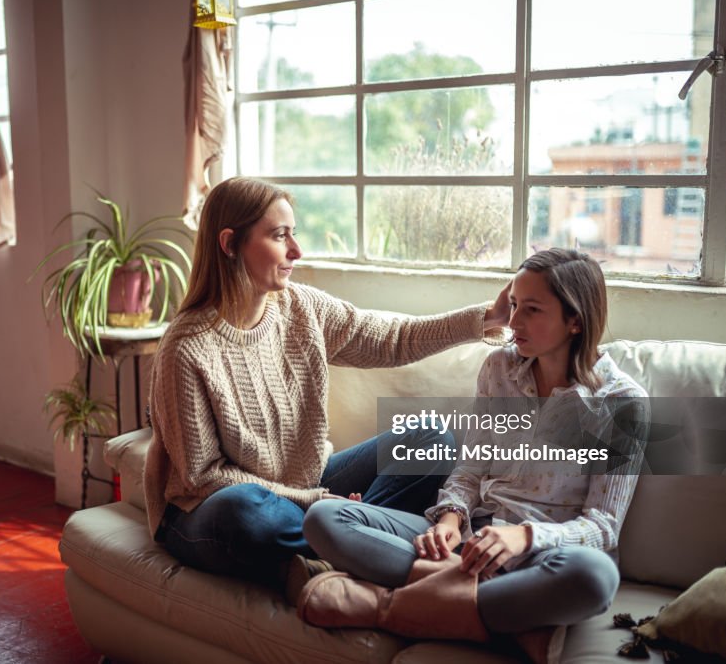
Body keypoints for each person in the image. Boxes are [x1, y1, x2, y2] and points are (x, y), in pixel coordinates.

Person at [143, 176, 511, 588]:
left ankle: (339, 551)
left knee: (430, 440)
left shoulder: (302, 308)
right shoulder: (186, 347)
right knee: (245, 510)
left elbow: (393, 339)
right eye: (280, 236)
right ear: (230, 244)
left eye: (293, 234)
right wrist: (314, 501)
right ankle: (355, 545)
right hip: (207, 509)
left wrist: (486, 320)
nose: (296, 251)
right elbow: (203, 477)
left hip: (309, 489)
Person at [297, 248, 649, 659]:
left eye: (531, 309)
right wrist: (451, 517)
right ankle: (507, 622)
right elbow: (471, 466)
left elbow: (604, 526)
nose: (513, 322)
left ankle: (386, 607)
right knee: (326, 517)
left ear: (576, 320)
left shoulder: (623, 403)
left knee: (594, 576)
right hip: (466, 544)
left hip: (542, 557)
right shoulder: (498, 369)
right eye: (514, 304)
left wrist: (524, 537)